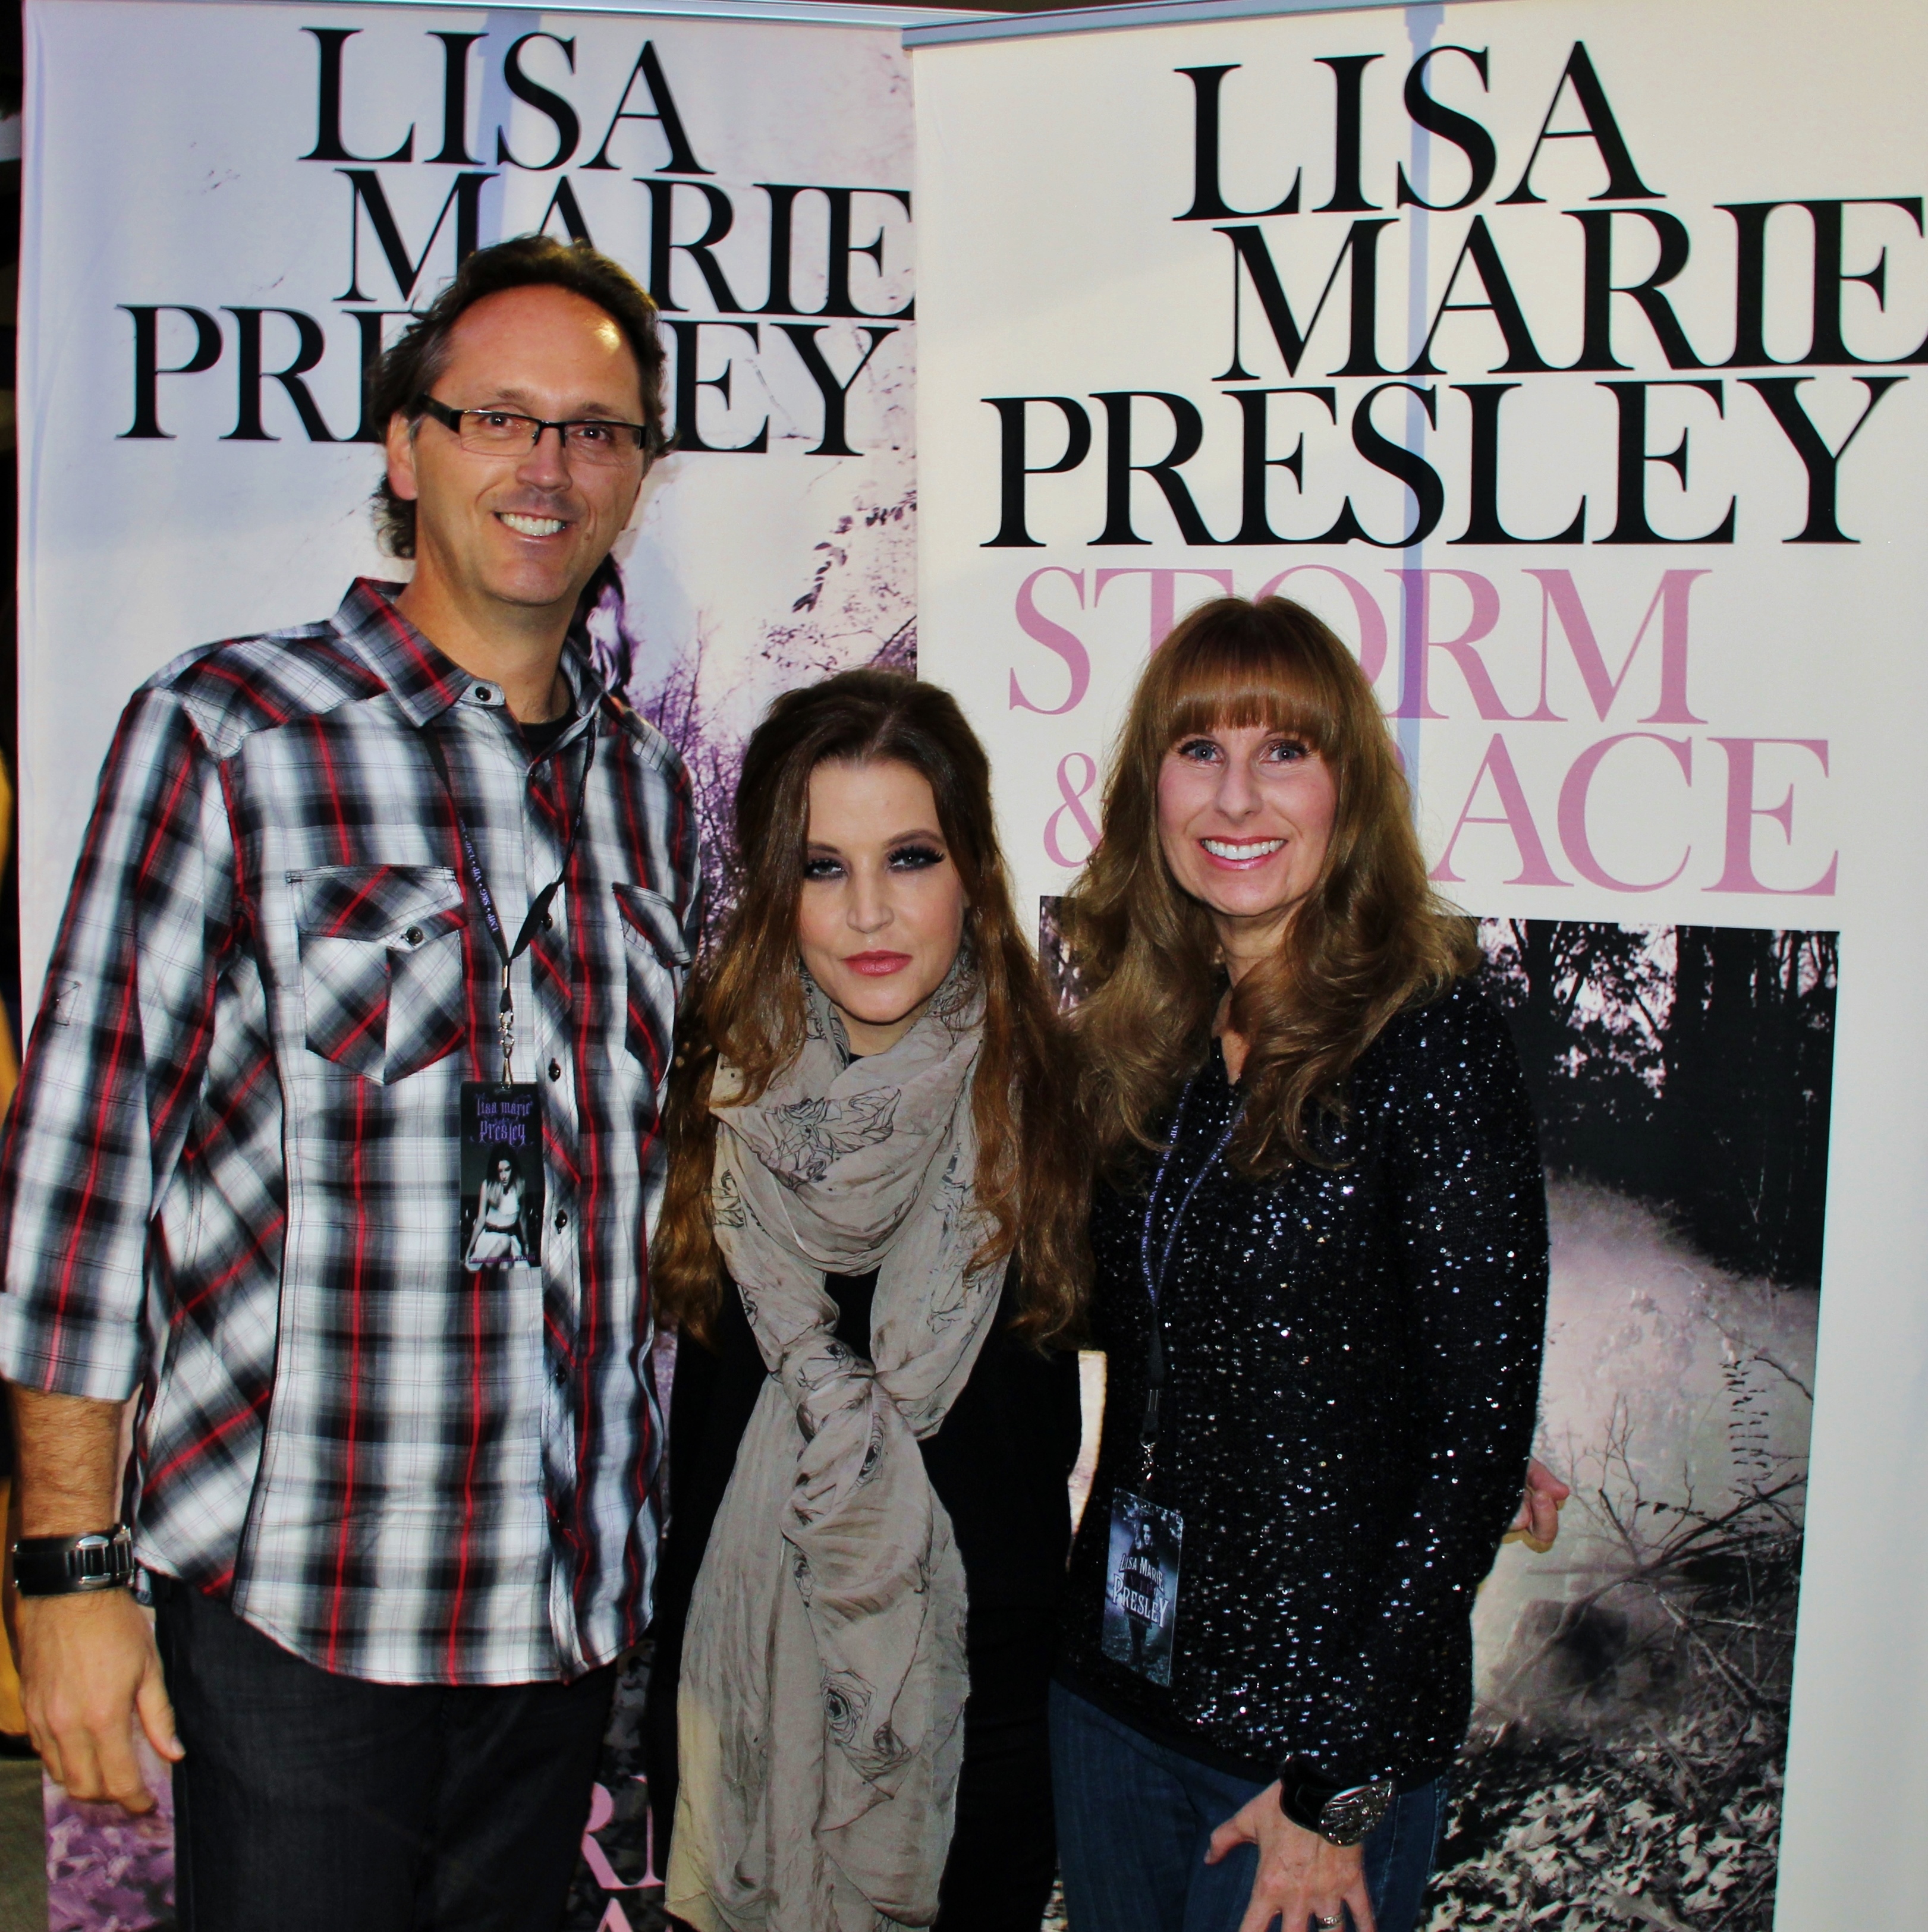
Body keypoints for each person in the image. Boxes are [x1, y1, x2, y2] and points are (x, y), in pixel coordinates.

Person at [0, 235, 699, 1932]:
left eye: (595, 430)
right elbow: (82, 1179)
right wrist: (67, 1572)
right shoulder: (231, 731)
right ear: (404, 449)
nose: (546, 466)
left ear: (635, 478)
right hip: (296, 1614)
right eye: (498, 419)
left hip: (560, 1608)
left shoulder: (650, 794)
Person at [1049, 596, 1552, 1932]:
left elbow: (1473, 1440)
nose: (1235, 795)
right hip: (1109, 1692)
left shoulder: (1427, 1038)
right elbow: (1135, 1311)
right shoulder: (1150, 1027)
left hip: (1306, 1753)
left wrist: (1337, 1784)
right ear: (1149, 784)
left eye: (1284, 751)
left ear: (1348, 787)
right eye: (1198, 749)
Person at [644, 669, 1088, 1932]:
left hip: (972, 1734)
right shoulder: (704, 1104)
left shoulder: (1061, 1113)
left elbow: (1221, 1364)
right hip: (738, 1711)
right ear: (776, 891)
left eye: (909, 854)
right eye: (823, 866)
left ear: (972, 872)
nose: (872, 910)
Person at [466, 1155, 531, 1267]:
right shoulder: (488, 1185)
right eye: (500, 1171)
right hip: (489, 1239)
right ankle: (485, 1269)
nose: (504, 1176)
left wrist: (526, 1244)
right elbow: (481, 1220)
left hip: (510, 1239)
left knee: (506, 1260)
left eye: (507, 1170)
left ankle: (487, 1274)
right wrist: (469, 1250)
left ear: (513, 1169)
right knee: (505, 1245)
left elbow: (523, 1219)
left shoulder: (520, 1186)